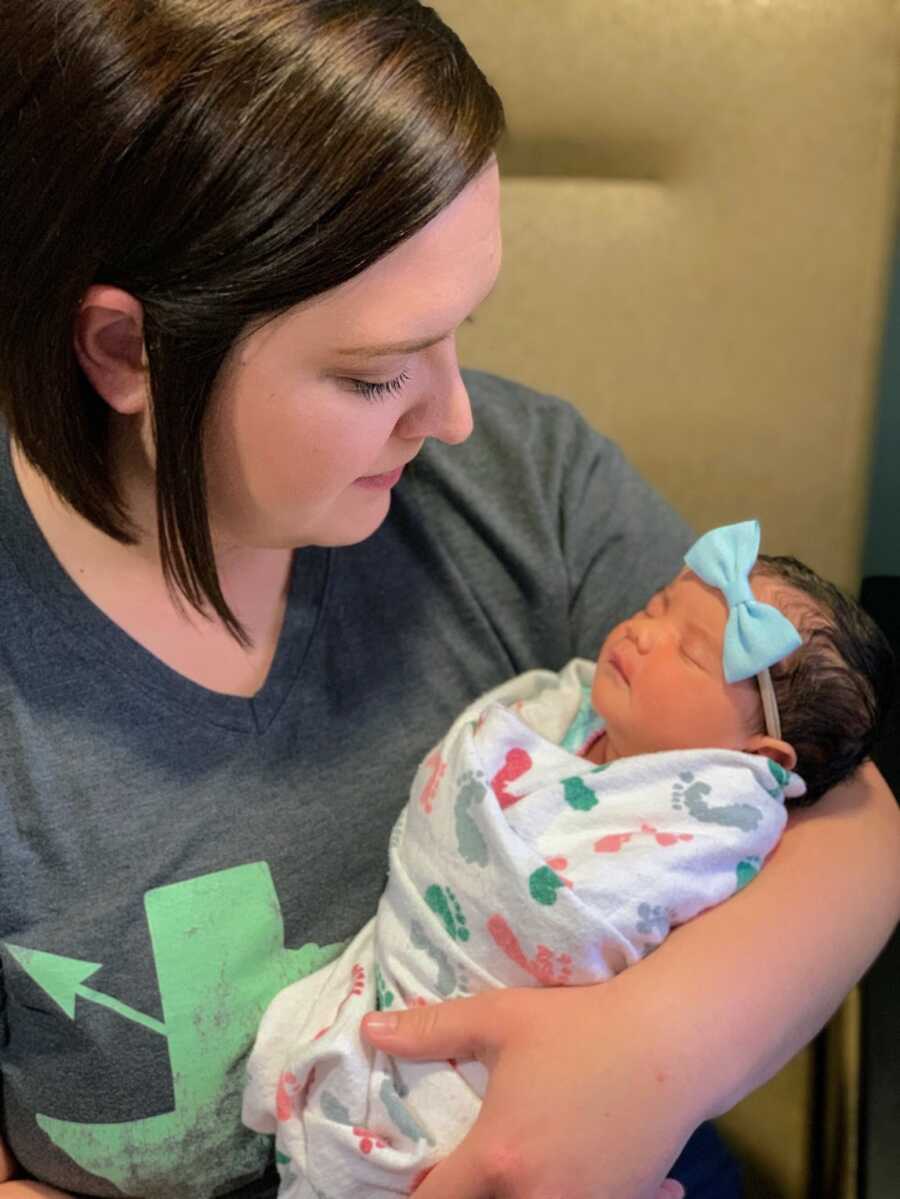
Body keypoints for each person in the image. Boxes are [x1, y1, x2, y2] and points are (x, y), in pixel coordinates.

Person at [0, 4, 898, 1199]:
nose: (450, 417)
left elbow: (853, 821)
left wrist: (653, 1054)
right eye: (376, 373)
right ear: (128, 352)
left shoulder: (523, 490)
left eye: (462, 330)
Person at [241, 520, 894, 1197]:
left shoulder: (704, 831)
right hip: (404, 987)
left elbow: (866, 818)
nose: (643, 631)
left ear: (753, 763)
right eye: (655, 606)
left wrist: (651, 1054)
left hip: (550, 1106)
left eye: (692, 652)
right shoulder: (570, 709)